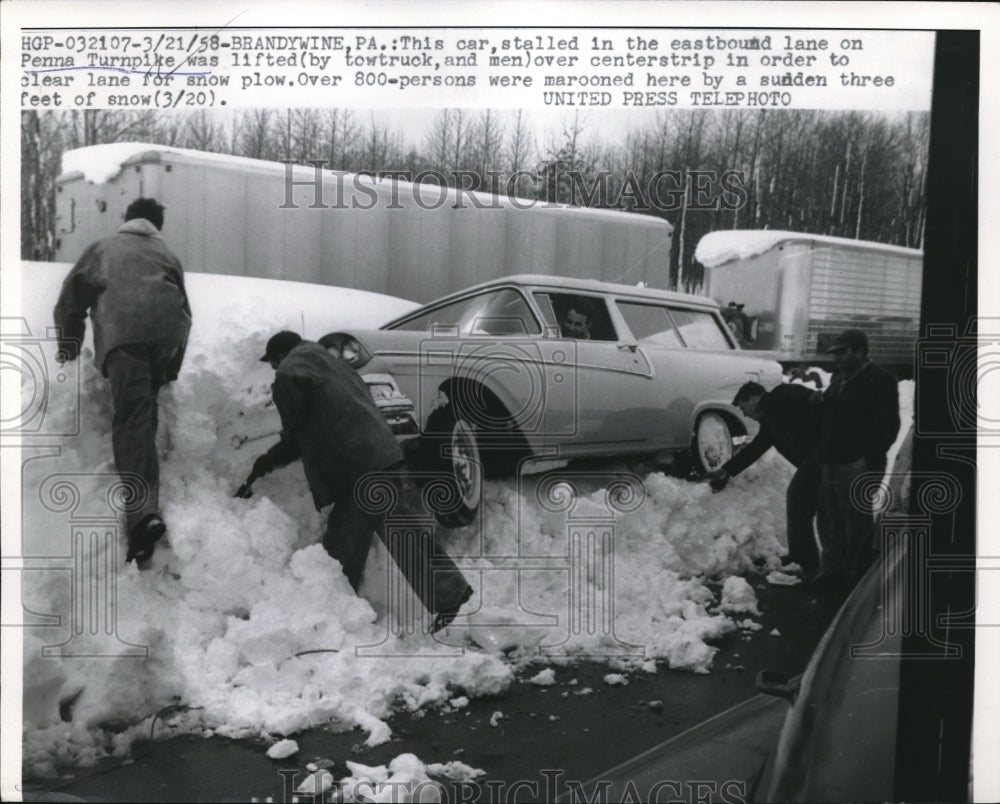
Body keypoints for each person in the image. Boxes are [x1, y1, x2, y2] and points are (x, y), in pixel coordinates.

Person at [237, 331, 473, 633]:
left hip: (357, 464)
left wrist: (264, 463)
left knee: (395, 531)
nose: (273, 370)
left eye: (271, 364)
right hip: (375, 454)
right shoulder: (331, 363)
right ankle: (337, 612)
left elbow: (295, 435)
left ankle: (446, 594)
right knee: (346, 539)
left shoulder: (290, 371)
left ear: (279, 356)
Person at [54, 198, 192, 565]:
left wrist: (68, 347)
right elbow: (185, 312)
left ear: (126, 220)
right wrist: (171, 368)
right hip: (166, 338)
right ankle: (146, 496)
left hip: (126, 337)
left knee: (130, 424)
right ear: (156, 225)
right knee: (142, 416)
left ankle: (142, 519)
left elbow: (70, 300)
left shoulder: (102, 248)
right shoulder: (166, 254)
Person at [705, 381, 822, 576]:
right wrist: (726, 470)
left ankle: (812, 564)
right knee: (805, 504)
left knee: (800, 499)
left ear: (753, 398)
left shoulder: (782, 395)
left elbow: (817, 402)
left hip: (823, 457)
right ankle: (805, 559)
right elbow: (756, 448)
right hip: (815, 461)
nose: (744, 414)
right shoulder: (769, 421)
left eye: (743, 407)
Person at [814, 328, 900, 590]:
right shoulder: (840, 378)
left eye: (842, 352)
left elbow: (888, 426)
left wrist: (868, 459)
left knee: (856, 524)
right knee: (829, 520)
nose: (836, 358)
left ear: (860, 351)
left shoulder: (881, 380)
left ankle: (856, 582)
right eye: (835, 354)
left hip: (858, 464)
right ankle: (832, 574)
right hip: (832, 461)